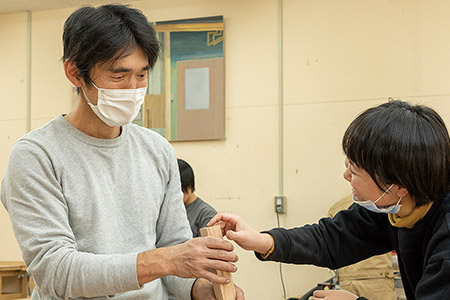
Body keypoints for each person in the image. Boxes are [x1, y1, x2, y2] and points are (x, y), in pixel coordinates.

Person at [1, 4, 243, 300]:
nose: (133, 89)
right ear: (75, 72)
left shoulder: (157, 150)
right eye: (119, 76)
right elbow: (56, 272)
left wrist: (200, 289)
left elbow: (175, 252)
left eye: (142, 75)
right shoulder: (37, 156)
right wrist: (166, 259)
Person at [209, 100, 450, 300]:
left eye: (354, 171)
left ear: (399, 187)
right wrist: (263, 240)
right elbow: (332, 238)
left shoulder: (445, 244)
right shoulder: (392, 208)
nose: (346, 176)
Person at [178, 159, 217, 237]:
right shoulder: (168, 210)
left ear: (189, 186)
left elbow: (210, 247)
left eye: (179, 190)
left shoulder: (207, 214)